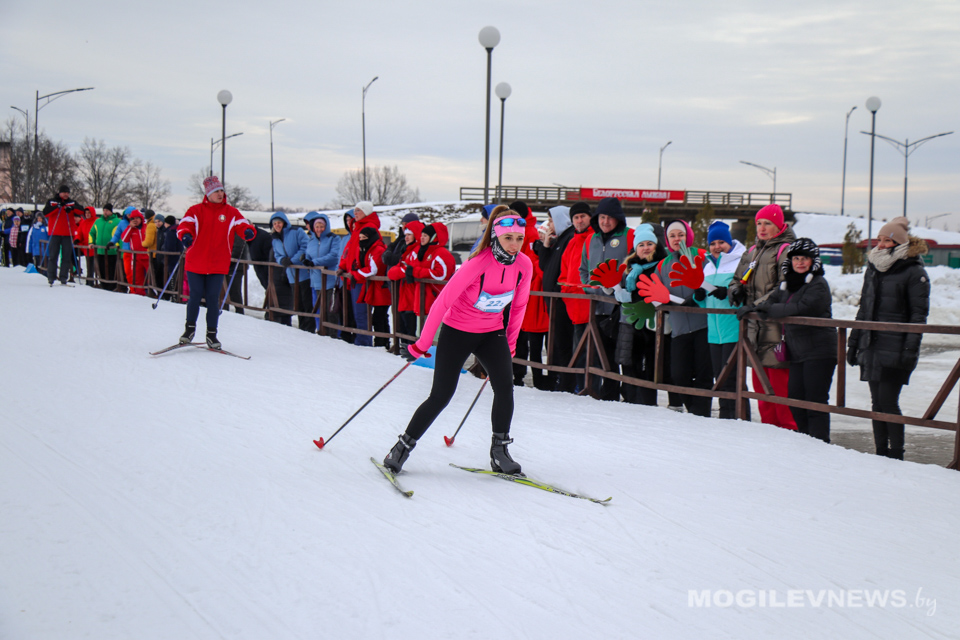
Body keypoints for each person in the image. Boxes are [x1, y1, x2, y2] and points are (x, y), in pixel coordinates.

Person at [382, 206, 533, 475]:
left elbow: (519, 306)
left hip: (492, 333)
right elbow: (442, 304)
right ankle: (402, 447)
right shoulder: (478, 264)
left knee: (505, 388)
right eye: (509, 238)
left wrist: (510, 343)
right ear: (497, 236)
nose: (514, 245)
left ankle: (500, 451)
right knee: (441, 395)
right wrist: (422, 344)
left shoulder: (524, 265)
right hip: (458, 332)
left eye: (519, 239)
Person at [847, 217, 930, 459]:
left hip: (896, 346)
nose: (881, 245)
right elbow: (864, 309)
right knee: (876, 402)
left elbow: (918, 315)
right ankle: (880, 452)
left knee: (888, 401)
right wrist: (854, 342)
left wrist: (910, 350)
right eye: (880, 240)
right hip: (872, 345)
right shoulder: (874, 268)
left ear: (900, 243)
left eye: (888, 240)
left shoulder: (915, 272)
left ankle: (896, 454)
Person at [744, 238, 837, 442]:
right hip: (797, 351)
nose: (800, 262)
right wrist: (754, 307)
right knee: (795, 399)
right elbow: (771, 300)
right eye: (796, 258)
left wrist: (769, 310)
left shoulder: (818, 284)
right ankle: (804, 441)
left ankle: (820, 444)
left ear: (813, 261)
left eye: (805, 258)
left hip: (819, 350)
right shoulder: (788, 283)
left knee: (814, 401)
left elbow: (800, 308)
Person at [729, 204, 797, 430]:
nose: (762, 228)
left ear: (779, 225)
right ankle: (768, 430)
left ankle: (789, 430)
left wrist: (756, 306)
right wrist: (735, 290)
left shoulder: (786, 250)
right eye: (759, 223)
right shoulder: (752, 252)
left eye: (768, 223)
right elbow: (737, 278)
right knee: (760, 382)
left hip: (777, 328)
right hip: (755, 329)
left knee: (780, 384)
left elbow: (784, 285)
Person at [176, 176, 256, 349]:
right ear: (208, 194)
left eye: (221, 190)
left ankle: (212, 335)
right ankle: (189, 330)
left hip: (218, 264)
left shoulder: (230, 212)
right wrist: (185, 235)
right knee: (195, 296)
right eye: (216, 191)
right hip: (196, 262)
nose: (220, 194)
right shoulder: (196, 210)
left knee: (213, 299)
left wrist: (248, 231)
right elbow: (184, 225)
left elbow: (242, 225)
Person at [651, 219, 713, 416]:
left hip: (704, 325)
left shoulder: (703, 257)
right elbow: (653, 293)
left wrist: (701, 294)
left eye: (681, 234)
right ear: (668, 240)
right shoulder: (663, 265)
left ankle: (701, 413)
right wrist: (662, 302)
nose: (677, 239)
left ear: (688, 236)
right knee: (679, 374)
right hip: (678, 327)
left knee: (704, 373)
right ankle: (694, 409)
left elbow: (715, 281)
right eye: (672, 236)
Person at [578, 197, 634, 400]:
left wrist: (619, 286)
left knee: (626, 356)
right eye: (602, 217)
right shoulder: (591, 239)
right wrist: (593, 289)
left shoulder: (630, 236)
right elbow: (583, 271)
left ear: (618, 219)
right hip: (598, 308)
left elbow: (635, 268)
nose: (605, 222)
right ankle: (608, 395)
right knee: (603, 356)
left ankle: (630, 396)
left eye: (610, 217)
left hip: (622, 307)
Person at [691, 221, 747, 419]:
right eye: (713, 243)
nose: (717, 247)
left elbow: (746, 293)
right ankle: (726, 418)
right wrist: (698, 295)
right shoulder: (707, 266)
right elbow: (705, 302)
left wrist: (731, 293)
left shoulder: (740, 262)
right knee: (720, 379)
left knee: (733, 378)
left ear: (730, 242)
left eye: (721, 242)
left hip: (734, 328)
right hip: (714, 333)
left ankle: (739, 418)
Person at [615, 223, 667, 405]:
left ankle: (646, 402)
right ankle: (630, 399)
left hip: (651, 322)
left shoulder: (661, 265)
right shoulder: (629, 266)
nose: (645, 248)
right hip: (630, 320)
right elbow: (620, 289)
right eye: (641, 245)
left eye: (649, 244)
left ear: (656, 245)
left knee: (648, 365)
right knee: (629, 362)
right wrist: (618, 291)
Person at [535, 205, 577, 392]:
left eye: (552, 220)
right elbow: (545, 265)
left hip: (561, 301)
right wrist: (545, 243)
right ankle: (560, 379)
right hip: (553, 300)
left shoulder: (569, 238)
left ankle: (565, 382)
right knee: (557, 342)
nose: (549, 224)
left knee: (563, 343)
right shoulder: (560, 239)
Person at [511, 201, 551, 390]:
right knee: (517, 338)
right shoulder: (514, 230)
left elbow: (531, 266)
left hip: (531, 298)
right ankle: (517, 374)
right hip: (519, 294)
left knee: (532, 342)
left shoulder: (531, 233)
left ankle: (535, 378)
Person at [559, 202, 593, 393]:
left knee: (592, 353)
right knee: (578, 351)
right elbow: (564, 273)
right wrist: (566, 293)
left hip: (590, 306)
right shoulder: (572, 242)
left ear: (589, 218)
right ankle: (580, 385)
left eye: (583, 216)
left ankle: (590, 387)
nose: (579, 221)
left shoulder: (594, 239)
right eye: (576, 217)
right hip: (574, 307)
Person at [338, 201, 381, 346]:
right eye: (354, 210)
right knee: (356, 312)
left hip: (361, 277)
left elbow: (368, 253)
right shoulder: (357, 229)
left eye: (358, 210)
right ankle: (360, 339)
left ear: (366, 212)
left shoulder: (368, 228)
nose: (355, 213)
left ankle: (364, 341)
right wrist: (343, 266)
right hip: (354, 276)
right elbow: (349, 251)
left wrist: (357, 272)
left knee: (361, 312)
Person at [269, 211, 313, 332]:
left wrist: (292, 260)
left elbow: (305, 247)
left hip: (303, 274)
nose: (277, 225)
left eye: (279, 222)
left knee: (307, 304)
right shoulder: (275, 239)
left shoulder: (296, 232)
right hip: (291, 276)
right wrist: (282, 260)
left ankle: (309, 330)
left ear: (284, 223)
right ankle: (302, 329)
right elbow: (277, 255)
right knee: (298, 305)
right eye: (275, 223)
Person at [349, 227, 391, 347]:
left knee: (380, 316)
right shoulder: (365, 249)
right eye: (360, 238)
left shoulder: (377, 249)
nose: (362, 240)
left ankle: (382, 342)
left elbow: (374, 269)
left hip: (381, 287)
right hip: (374, 287)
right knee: (379, 316)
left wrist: (357, 274)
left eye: (364, 238)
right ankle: (382, 342)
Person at [387, 220, 425, 350]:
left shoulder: (417, 251)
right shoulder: (407, 250)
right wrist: (400, 271)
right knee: (403, 324)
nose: (406, 237)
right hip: (405, 293)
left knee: (411, 326)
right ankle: (404, 348)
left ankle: (411, 351)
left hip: (412, 294)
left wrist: (400, 271)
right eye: (405, 234)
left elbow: (406, 269)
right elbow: (393, 272)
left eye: (409, 234)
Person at [303, 212, 342, 336]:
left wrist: (314, 262)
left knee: (332, 310)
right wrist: (305, 260)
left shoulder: (333, 238)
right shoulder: (312, 240)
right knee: (321, 310)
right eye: (316, 226)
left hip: (330, 280)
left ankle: (334, 335)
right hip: (316, 281)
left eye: (321, 226)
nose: (319, 229)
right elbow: (308, 254)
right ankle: (323, 334)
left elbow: (334, 256)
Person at [41, 184, 84, 286]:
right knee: (53, 256)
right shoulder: (52, 201)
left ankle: (63, 277)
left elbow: (81, 210)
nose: (66, 194)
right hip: (55, 233)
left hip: (67, 234)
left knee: (66, 257)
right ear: (60, 193)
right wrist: (57, 207)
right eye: (64, 192)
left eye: (68, 193)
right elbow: (46, 213)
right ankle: (51, 277)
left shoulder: (71, 202)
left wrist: (71, 208)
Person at [89, 204, 120, 289]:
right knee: (101, 268)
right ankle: (103, 284)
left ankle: (112, 285)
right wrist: (91, 242)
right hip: (100, 250)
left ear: (111, 211)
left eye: (107, 210)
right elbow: (92, 233)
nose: (105, 212)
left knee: (112, 269)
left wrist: (117, 245)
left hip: (112, 251)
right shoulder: (98, 221)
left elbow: (120, 235)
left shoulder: (117, 221)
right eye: (104, 210)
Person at [120, 209, 148, 295]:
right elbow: (124, 239)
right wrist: (130, 227)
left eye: (137, 218)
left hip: (147, 256)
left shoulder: (146, 227)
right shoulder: (131, 229)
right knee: (137, 277)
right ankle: (139, 293)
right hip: (136, 257)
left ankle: (151, 293)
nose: (135, 220)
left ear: (141, 218)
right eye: (133, 219)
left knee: (150, 276)